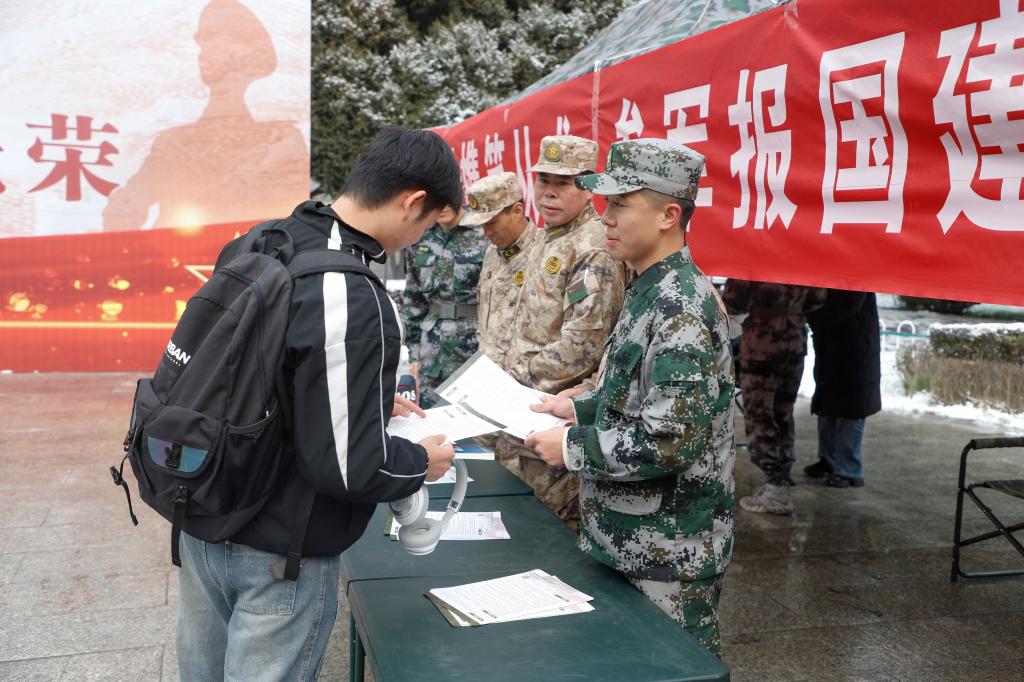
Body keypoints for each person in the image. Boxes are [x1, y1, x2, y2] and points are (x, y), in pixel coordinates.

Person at [175, 127, 459, 681]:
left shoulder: (261, 239)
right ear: (412, 202)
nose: (418, 239)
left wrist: (357, 395)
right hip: (280, 547)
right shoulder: (351, 290)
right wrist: (419, 463)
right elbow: (350, 468)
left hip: (203, 510)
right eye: (427, 225)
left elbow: (249, 370)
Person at [526, 138, 735, 656]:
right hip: (633, 539)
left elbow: (670, 440)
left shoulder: (680, 309)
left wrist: (571, 447)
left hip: (668, 552)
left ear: (668, 215)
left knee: (670, 666)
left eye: (620, 204)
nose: (606, 217)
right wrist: (578, 406)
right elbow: (636, 393)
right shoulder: (649, 288)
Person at [497, 134, 627, 528]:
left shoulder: (592, 248)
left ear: (588, 189)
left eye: (564, 183)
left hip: (553, 420)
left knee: (549, 534)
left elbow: (582, 346)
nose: (549, 193)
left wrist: (515, 379)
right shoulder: (549, 235)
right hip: (524, 416)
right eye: (544, 180)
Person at [722, 279, 824, 515]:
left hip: (762, 345)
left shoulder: (757, 264)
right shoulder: (809, 265)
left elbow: (733, 301)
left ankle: (775, 488)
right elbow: (818, 300)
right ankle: (781, 479)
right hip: (794, 343)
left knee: (760, 414)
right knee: (783, 413)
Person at [461, 172, 539, 471]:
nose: (486, 232)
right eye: (481, 225)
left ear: (517, 210)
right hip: (487, 395)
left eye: (492, 222)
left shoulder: (543, 254)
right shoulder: (492, 256)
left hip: (524, 398)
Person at [401, 202, 489, 407]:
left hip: (473, 344)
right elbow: (413, 300)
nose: (443, 206)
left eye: (449, 199)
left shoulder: (482, 231)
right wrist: (413, 354)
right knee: (429, 415)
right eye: (437, 199)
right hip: (431, 350)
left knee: (473, 415)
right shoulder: (420, 236)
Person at [803, 290, 881, 487]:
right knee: (827, 406)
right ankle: (829, 460)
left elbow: (846, 306)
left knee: (850, 411)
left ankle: (849, 470)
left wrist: (810, 313)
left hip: (855, 352)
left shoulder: (858, 279)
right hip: (832, 350)